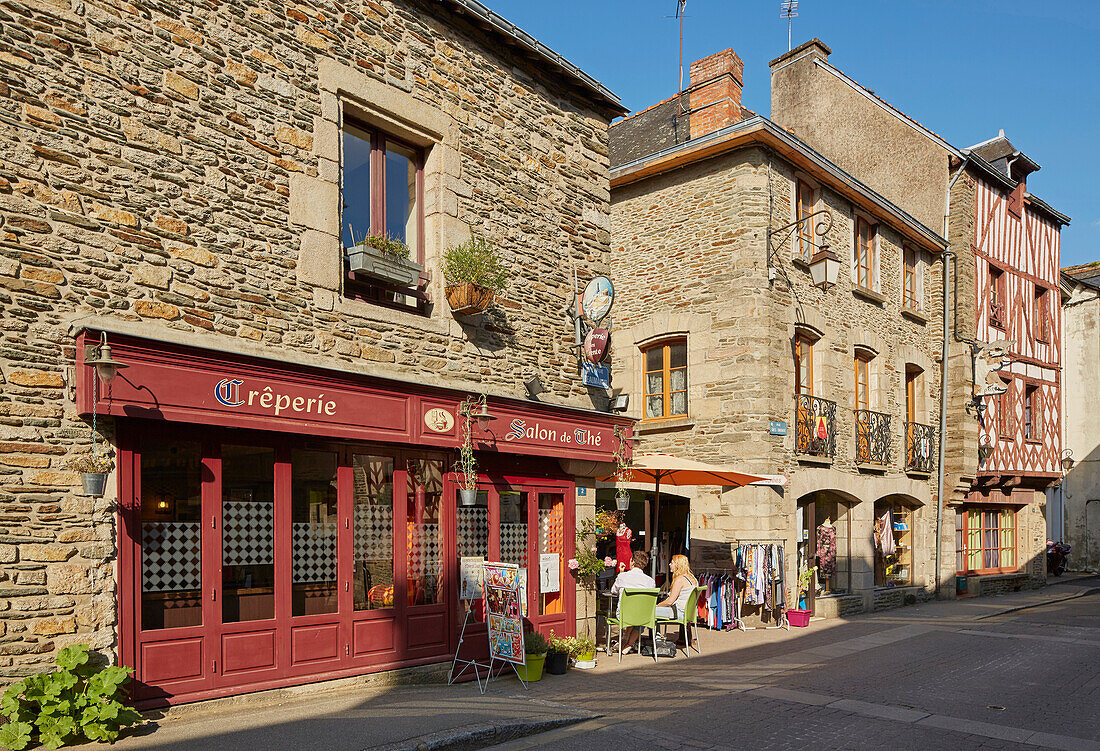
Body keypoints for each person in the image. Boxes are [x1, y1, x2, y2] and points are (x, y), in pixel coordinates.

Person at [610, 550, 655, 653]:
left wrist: (621, 573)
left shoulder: (622, 577)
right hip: (641, 616)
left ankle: (626, 639)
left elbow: (613, 591)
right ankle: (629, 644)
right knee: (642, 619)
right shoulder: (650, 581)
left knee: (632, 613)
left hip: (624, 615)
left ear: (633, 561)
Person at [656, 554, 698, 621]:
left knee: (650, 611)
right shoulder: (693, 579)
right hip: (690, 613)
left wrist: (657, 606)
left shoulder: (679, 580)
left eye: (672, 563)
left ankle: (655, 631)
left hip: (679, 613)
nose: (669, 564)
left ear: (678, 565)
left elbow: (670, 602)